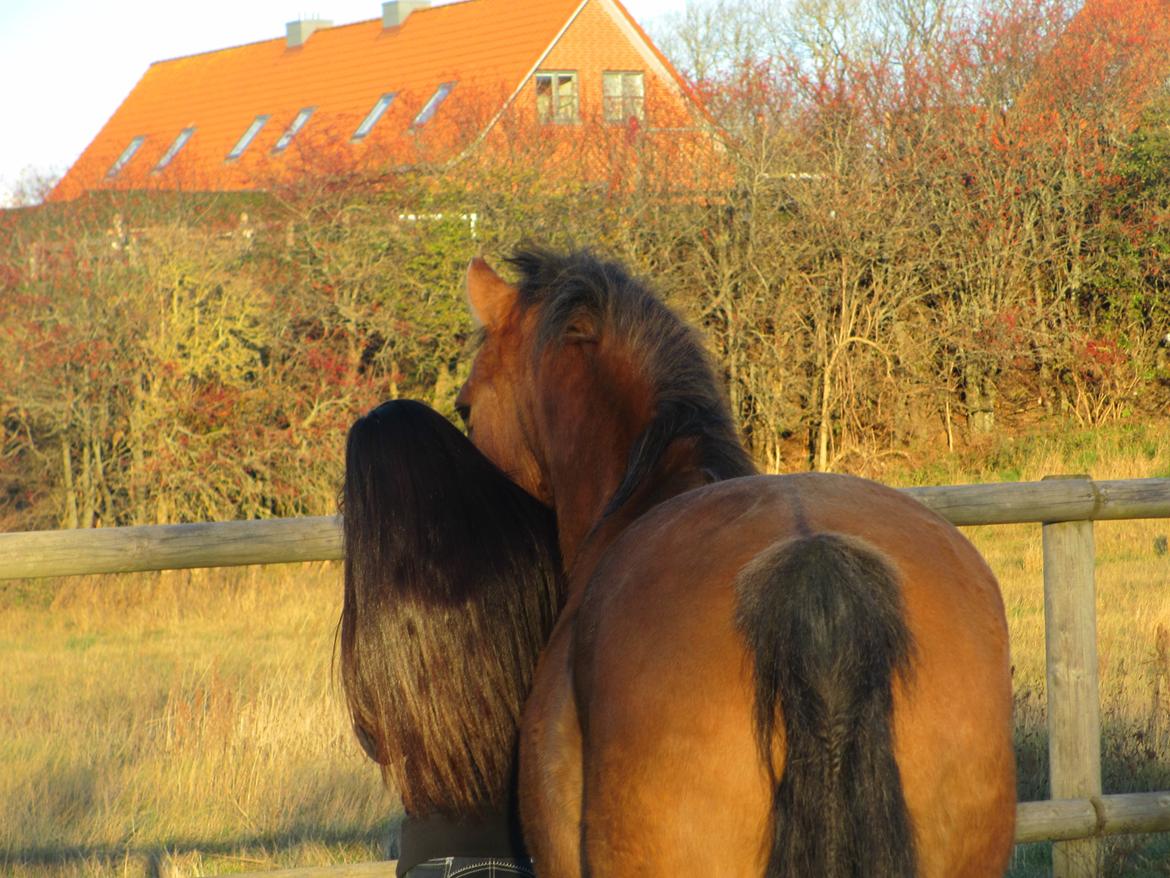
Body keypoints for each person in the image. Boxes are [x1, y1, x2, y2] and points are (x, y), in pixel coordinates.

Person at [339, 399, 564, 878]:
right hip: (541, 850)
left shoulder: (380, 613)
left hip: (435, 862)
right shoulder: (536, 546)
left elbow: (374, 736)